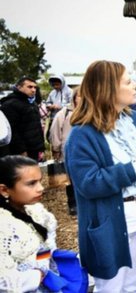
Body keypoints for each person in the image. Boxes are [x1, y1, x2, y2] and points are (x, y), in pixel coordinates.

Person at [64, 60, 136, 292]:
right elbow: (88, 184)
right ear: (108, 88)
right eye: (128, 81)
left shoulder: (134, 120)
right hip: (111, 224)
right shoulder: (82, 135)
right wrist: (134, 168)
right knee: (112, 286)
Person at [0, 155, 88, 292]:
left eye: (40, 181)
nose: (41, 188)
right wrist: (37, 274)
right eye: (31, 183)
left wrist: (48, 260)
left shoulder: (37, 212)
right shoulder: (4, 227)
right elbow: (4, 281)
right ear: (5, 190)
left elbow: (45, 249)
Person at [48, 87, 80, 215]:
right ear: (74, 97)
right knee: (70, 180)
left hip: (85, 153)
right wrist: (56, 148)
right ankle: (72, 204)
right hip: (68, 152)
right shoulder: (65, 113)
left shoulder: (92, 112)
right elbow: (55, 131)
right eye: (79, 96)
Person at [0, 77, 45, 160]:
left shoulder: (32, 103)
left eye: (35, 87)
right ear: (19, 87)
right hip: (20, 152)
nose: (33, 90)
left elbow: (36, 126)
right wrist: (21, 150)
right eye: (29, 87)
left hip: (34, 149)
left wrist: (41, 148)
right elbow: (12, 130)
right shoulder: (10, 104)